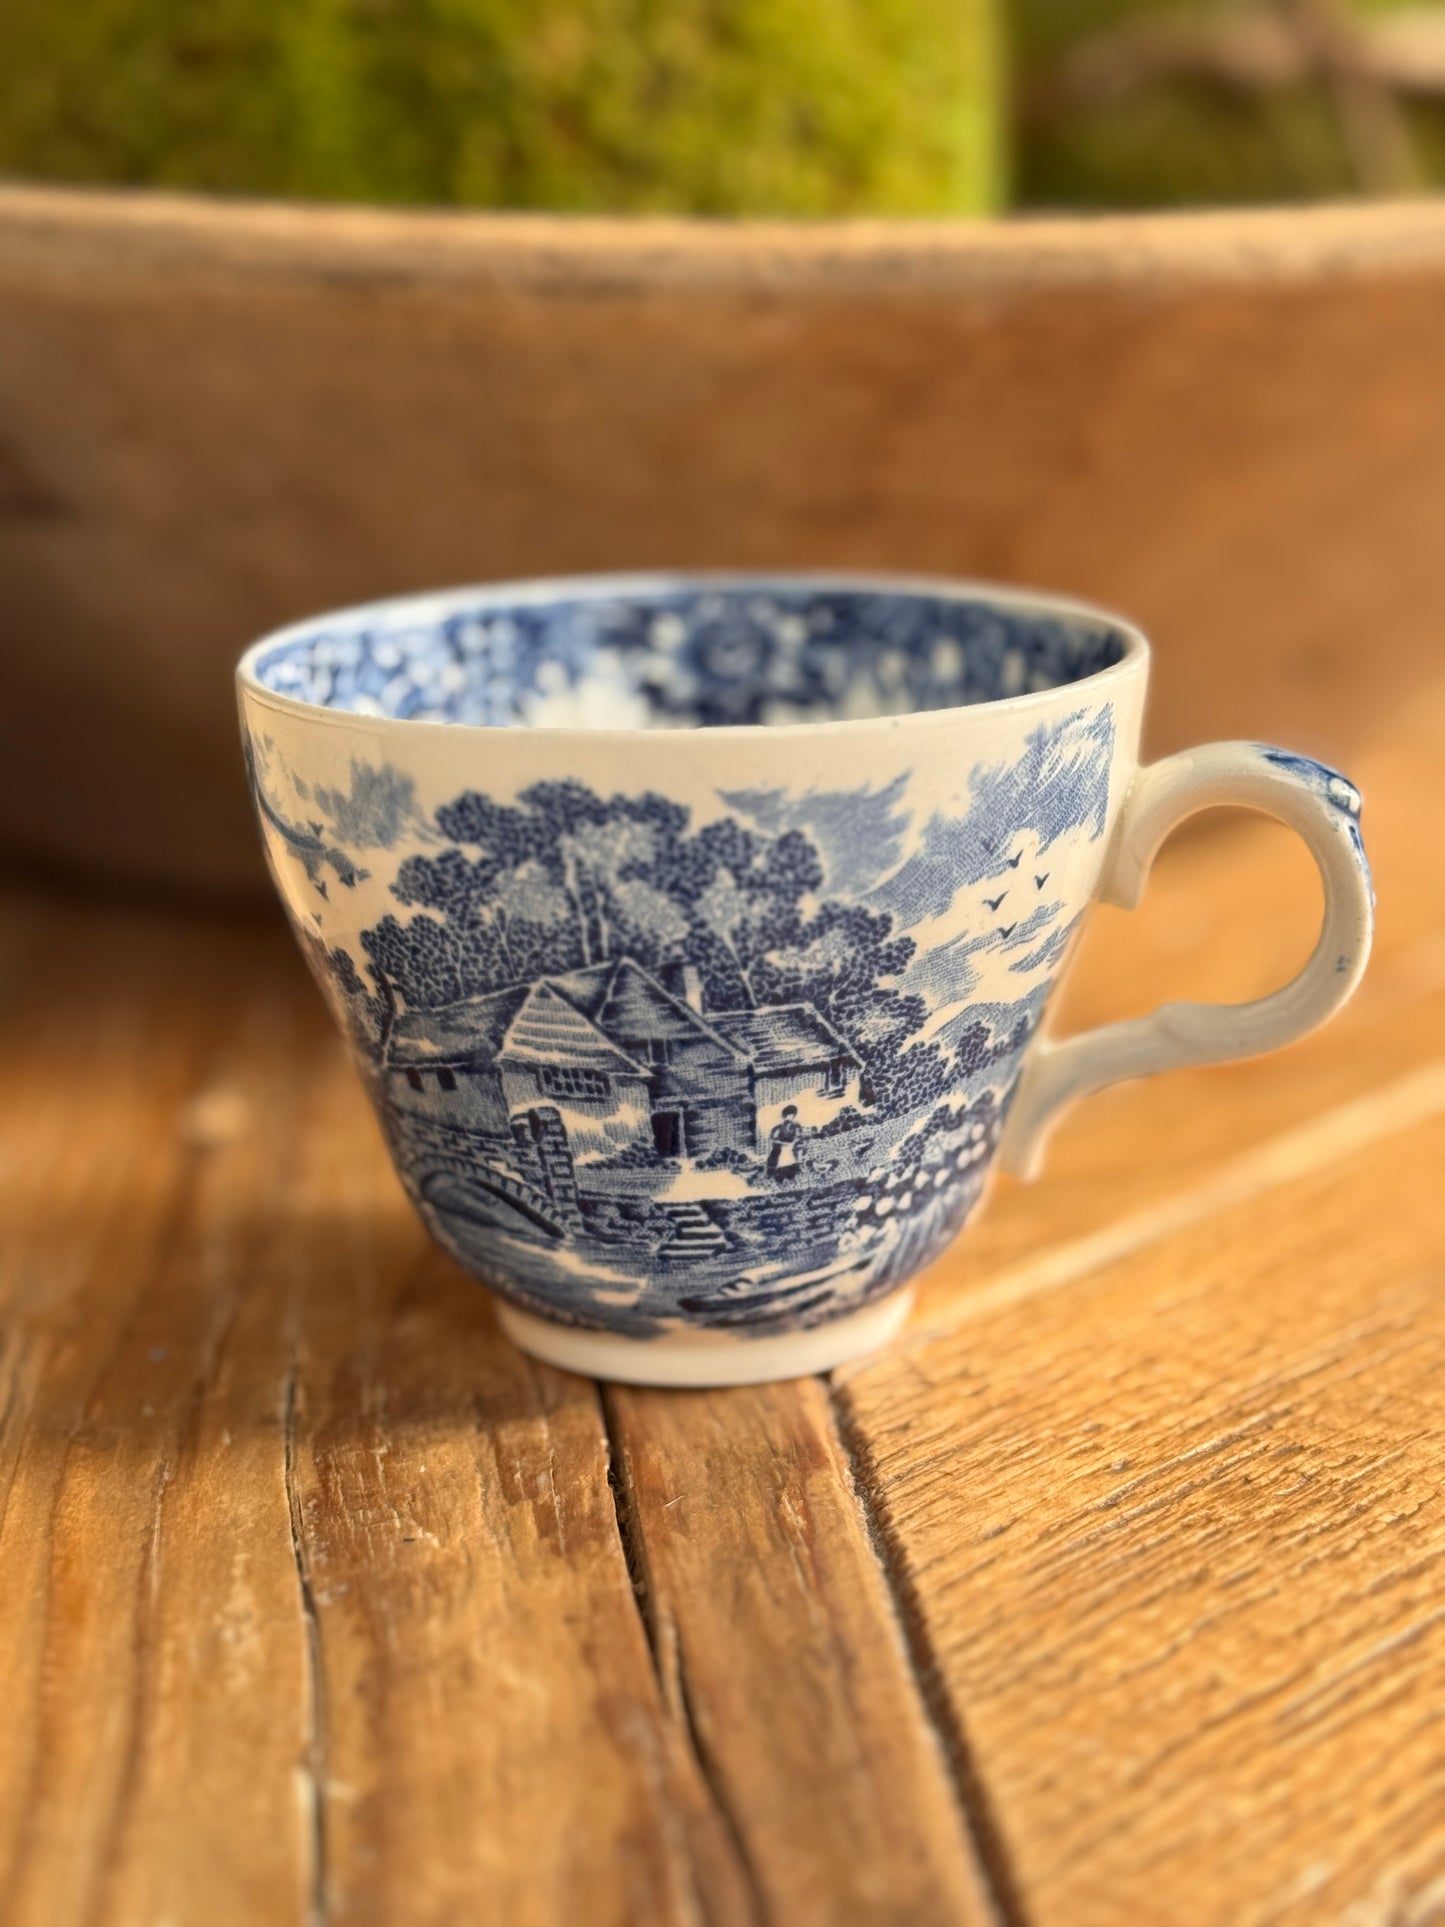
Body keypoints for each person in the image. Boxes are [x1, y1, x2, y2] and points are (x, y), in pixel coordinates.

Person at [766, 1105, 806, 1181]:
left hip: (792, 1147)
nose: (790, 1117)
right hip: (781, 1147)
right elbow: (773, 1138)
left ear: (794, 1116)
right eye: (788, 1115)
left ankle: (791, 1174)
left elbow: (799, 1136)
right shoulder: (778, 1127)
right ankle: (776, 1175)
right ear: (784, 1116)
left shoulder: (796, 1126)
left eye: (791, 1115)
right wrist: (782, 1143)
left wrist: (794, 1142)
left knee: (792, 1161)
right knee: (777, 1160)